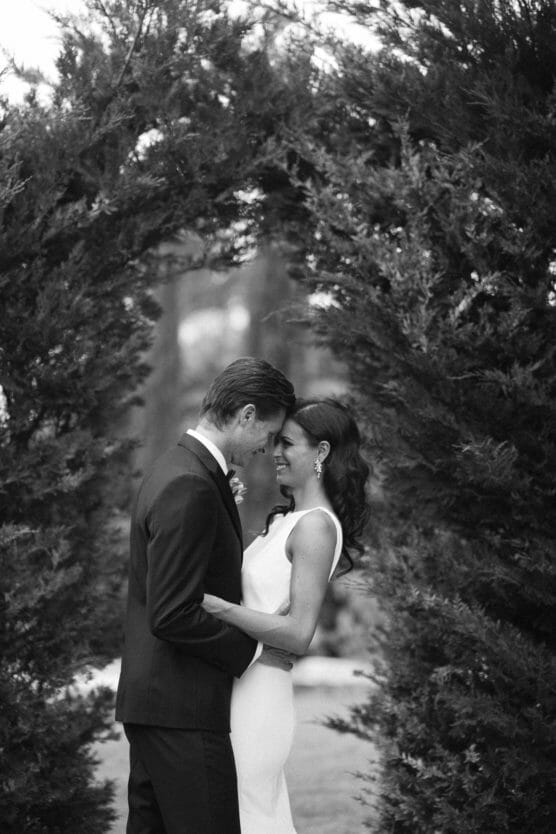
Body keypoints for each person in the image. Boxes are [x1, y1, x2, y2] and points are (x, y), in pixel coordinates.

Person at [115, 356, 295, 834]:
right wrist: (257, 651)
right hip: (183, 709)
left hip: (159, 703)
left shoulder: (178, 468)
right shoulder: (191, 484)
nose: (267, 448)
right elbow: (172, 613)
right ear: (247, 415)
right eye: (270, 434)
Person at [202, 398, 370, 834]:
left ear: (322, 453)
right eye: (275, 441)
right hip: (239, 683)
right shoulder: (286, 520)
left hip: (260, 697)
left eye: (287, 443)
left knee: (249, 817)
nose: (274, 452)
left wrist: (218, 607)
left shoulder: (316, 526)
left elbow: (298, 634)